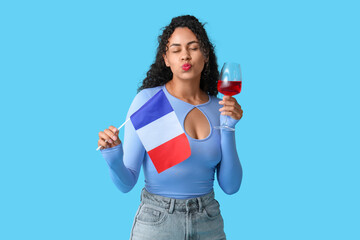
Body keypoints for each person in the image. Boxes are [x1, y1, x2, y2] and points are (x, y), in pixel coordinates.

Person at [97, 15, 243, 240]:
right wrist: (114, 156)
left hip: (209, 221)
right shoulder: (148, 102)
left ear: (205, 55)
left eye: (193, 48)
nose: (185, 55)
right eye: (176, 50)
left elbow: (231, 186)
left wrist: (229, 129)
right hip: (158, 223)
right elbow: (127, 183)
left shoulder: (219, 107)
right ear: (166, 59)